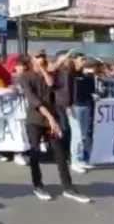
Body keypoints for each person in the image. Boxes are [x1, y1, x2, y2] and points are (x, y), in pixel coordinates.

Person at [16, 54, 91, 203]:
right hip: (36, 119)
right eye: (38, 61)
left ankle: (68, 187)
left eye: (43, 62)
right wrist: (51, 119)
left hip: (52, 120)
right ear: (32, 63)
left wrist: (45, 71)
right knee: (35, 152)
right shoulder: (25, 77)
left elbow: (50, 84)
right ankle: (38, 184)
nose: (41, 63)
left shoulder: (48, 75)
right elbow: (34, 100)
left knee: (60, 153)